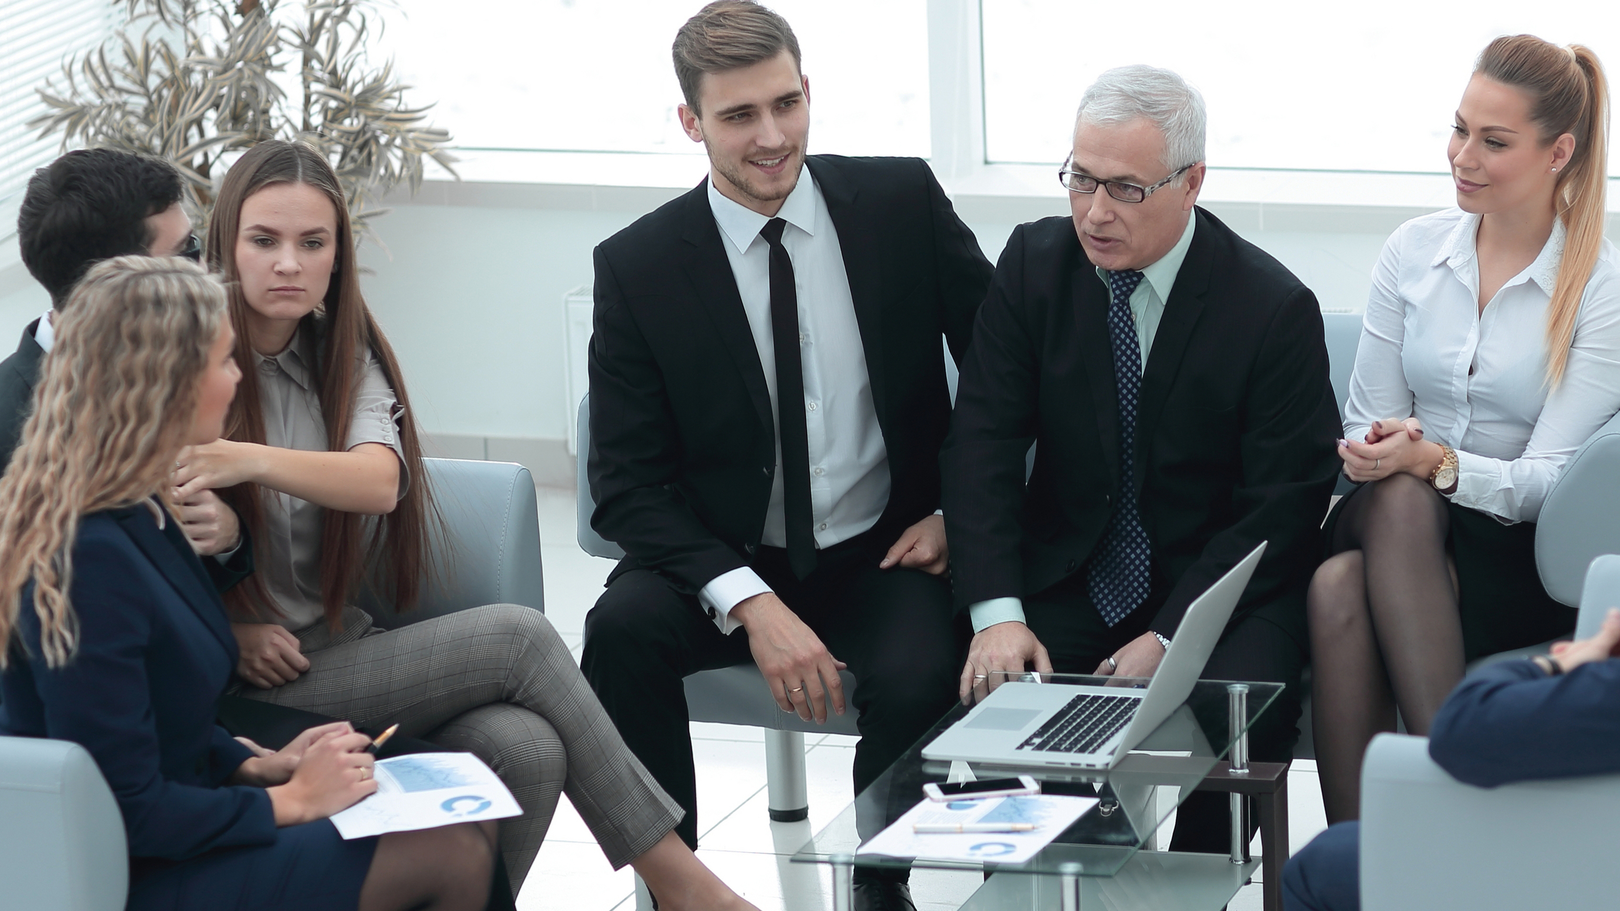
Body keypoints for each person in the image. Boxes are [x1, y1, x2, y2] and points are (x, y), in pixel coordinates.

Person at [177, 139, 758, 910]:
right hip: (253, 683)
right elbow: (138, 554)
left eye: (313, 243)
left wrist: (243, 458)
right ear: (225, 243)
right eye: (264, 240)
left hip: (337, 646)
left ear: (338, 255)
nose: (290, 263)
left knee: (526, 746)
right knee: (521, 637)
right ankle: (686, 885)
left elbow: (378, 481)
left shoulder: (342, 354)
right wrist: (231, 630)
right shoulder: (188, 366)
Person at [580, 2, 992, 907]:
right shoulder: (637, 267)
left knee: (924, 670)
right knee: (617, 635)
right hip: (724, 554)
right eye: (738, 116)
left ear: (807, 90)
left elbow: (1004, 374)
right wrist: (749, 602)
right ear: (691, 122)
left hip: (885, 544)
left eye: (786, 104)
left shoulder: (901, 203)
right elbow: (625, 486)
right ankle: (678, 884)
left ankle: (878, 886)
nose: (771, 137)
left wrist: (953, 512)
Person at [0, 256, 498, 911]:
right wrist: (293, 800)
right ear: (169, 384)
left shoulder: (141, 509)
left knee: (464, 814)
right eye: (224, 361)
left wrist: (252, 762)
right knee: (448, 849)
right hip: (128, 870)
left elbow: (151, 715)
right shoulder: (87, 557)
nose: (238, 377)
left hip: (183, 820)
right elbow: (122, 806)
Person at [938, 64, 1341, 853]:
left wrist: (1168, 636)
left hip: (1221, 586)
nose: (1095, 211)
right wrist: (999, 613)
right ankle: (1061, 878)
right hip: (1074, 566)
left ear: (1191, 182)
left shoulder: (1271, 308)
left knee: (1236, 714)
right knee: (1008, 704)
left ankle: (1192, 884)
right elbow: (981, 440)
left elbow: (1282, 505)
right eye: (1080, 179)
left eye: (1125, 188)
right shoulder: (1033, 264)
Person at [1307, 35, 1620, 823]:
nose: (1462, 156)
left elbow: (1547, 483)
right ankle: (1457, 811)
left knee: (1337, 586)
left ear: (1559, 153)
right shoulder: (1412, 251)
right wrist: (1384, 452)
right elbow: (1364, 418)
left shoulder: (1600, 287)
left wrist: (1437, 461)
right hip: (1391, 514)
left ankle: (1371, 864)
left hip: (1514, 553)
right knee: (1400, 502)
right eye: (1459, 129)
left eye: (1494, 141)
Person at [1283, 607, 1620, 911]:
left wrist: (1552, 664)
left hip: (1574, 869)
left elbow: (1465, 721)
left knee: (1319, 866)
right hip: (1583, 846)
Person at [5, 149, 245, 574]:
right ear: (120, 280)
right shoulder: (8, 423)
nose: (206, 269)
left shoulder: (199, 365)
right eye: (188, 252)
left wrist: (229, 538)